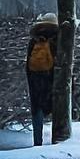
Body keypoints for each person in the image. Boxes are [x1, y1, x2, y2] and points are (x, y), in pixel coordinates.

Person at [26, 13, 58, 147]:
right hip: (50, 76)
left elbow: (28, 60)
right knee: (56, 105)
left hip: (35, 77)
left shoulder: (34, 39)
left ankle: (37, 141)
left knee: (36, 108)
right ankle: (57, 139)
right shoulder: (56, 37)